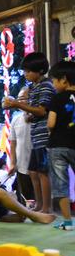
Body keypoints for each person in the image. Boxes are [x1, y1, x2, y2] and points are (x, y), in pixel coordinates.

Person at [2, 52, 55, 213]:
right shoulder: (33, 88)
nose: (25, 74)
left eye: (28, 71)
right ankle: (39, 205)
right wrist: (24, 111)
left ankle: (47, 207)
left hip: (45, 136)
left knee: (43, 173)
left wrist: (17, 105)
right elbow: (35, 113)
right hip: (36, 137)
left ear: (39, 70)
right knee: (33, 172)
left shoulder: (46, 86)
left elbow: (41, 110)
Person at [47, 60, 75, 230]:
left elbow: (51, 123)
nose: (54, 84)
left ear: (64, 79)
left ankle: (67, 222)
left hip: (58, 146)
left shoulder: (57, 98)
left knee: (60, 183)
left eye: (54, 80)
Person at [8, 86, 33, 200]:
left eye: (23, 98)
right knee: (26, 197)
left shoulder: (40, 117)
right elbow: (13, 143)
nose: (19, 102)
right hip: (22, 165)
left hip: (38, 165)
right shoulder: (16, 119)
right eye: (18, 99)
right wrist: (13, 163)